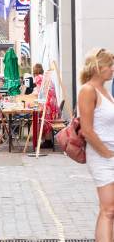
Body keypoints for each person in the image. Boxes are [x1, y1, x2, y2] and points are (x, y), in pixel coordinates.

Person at [78, 48, 114, 241]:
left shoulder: (105, 91)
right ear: (99, 68)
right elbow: (87, 130)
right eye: (110, 65)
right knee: (108, 210)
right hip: (102, 157)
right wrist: (107, 153)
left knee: (110, 211)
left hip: (110, 154)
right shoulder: (88, 90)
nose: (113, 69)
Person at [32, 63, 59, 148]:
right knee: (49, 121)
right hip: (53, 102)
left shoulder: (38, 78)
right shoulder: (46, 78)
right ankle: (49, 140)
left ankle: (47, 142)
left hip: (47, 102)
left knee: (45, 121)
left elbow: (39, 92)